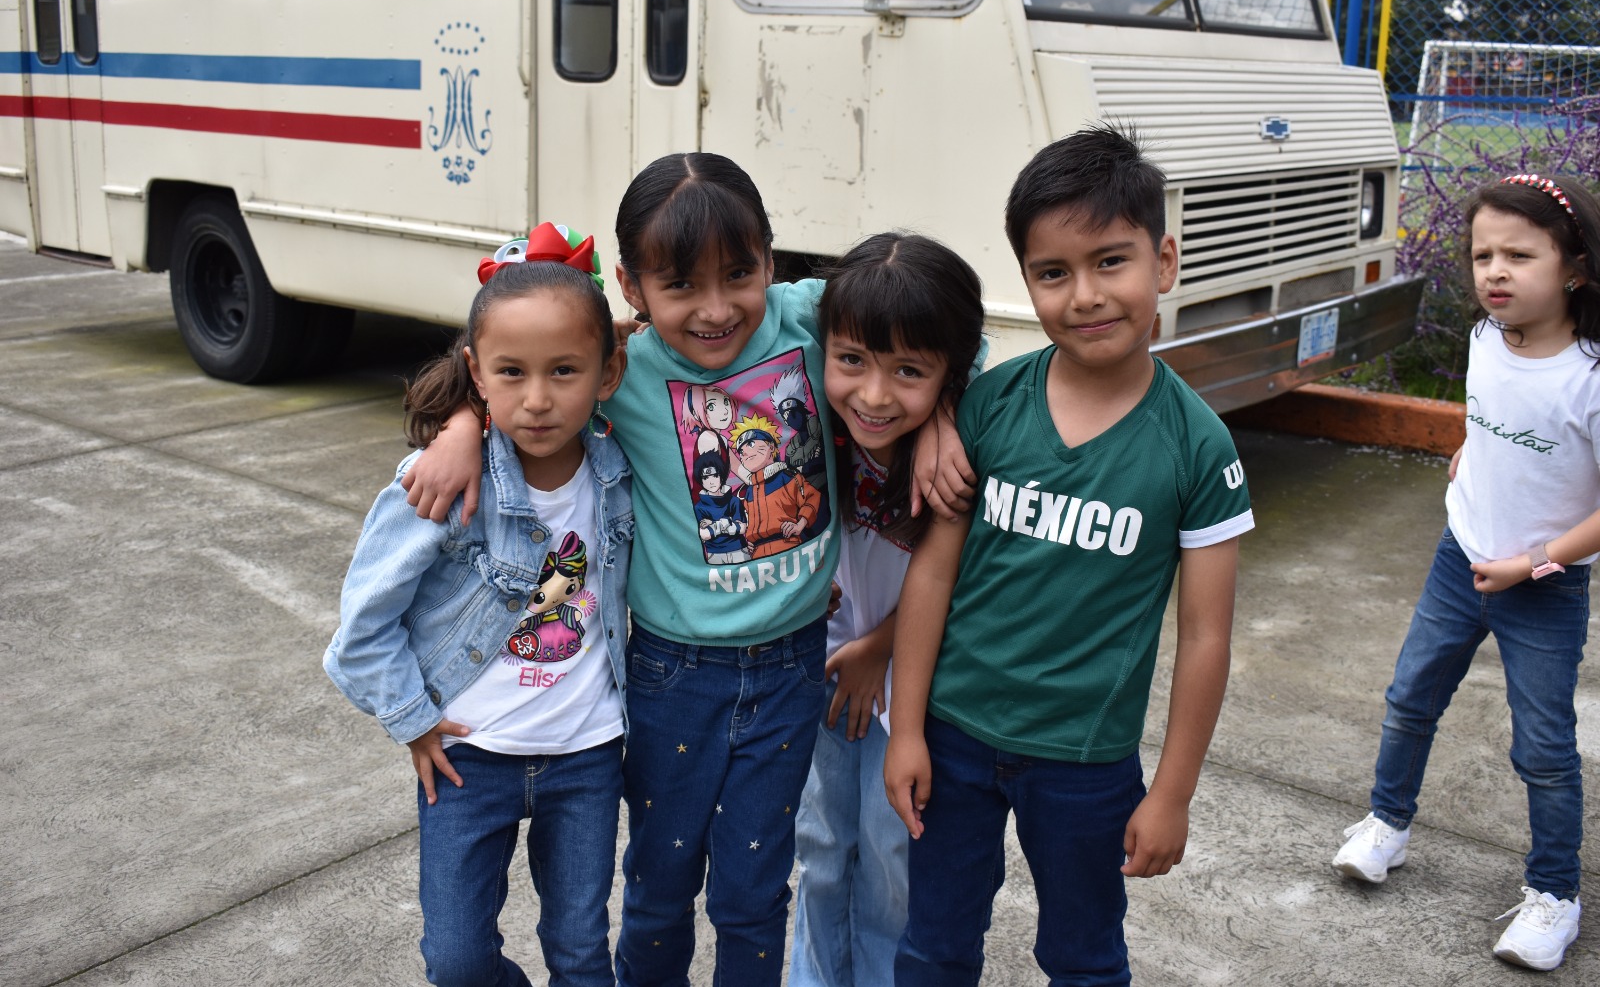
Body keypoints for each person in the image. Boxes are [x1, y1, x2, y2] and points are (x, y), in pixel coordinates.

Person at [401, 153, 973, 987]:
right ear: (631, 287)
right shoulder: (618, 369)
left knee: (753, 893)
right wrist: (462, 424)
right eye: (680, 286)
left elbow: (939, 331)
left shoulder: (810, 319)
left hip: (793, 671)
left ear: (771, 261)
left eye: (738, 274)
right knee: (661, 887)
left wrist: (943, 418)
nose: (715, 308)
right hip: (674, 676)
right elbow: (511, 358)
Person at [883, 124, 1255, 985]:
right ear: (1027, 281)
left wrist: (1173, 793)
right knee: (933, 946)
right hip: (953, 739)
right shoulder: (991, 405)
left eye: (1110, 262)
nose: (1085, 295)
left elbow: (1206, 636)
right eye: (1053, 272)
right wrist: (906, 730)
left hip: (1085, 763)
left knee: (1084, 959)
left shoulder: (1198, 448)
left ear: (1164, 262)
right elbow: (932, 571)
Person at [323, 230, 630, 987]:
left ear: (608, 372)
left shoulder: (621, 469)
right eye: (511, 372)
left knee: (581, 951)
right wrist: (411, 718)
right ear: (476, 375)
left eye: (564, 371)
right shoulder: (442, 482)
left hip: (587, 754)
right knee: (457, 962)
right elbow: (362, 628)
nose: (538, 399)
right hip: (466, 759)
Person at [1330, 172, 1600, 972]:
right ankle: (1387, 824)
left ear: (1575, 267)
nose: (1495, 272)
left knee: (1543, 747)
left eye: (1520, 255)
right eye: (1484, 256)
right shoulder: (1487, 336)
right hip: (1461, 556)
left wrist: (1533, 562)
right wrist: (1470, 452)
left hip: (1544, 585)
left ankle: (1554, 896)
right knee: (1410, 697)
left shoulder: (1589, 375)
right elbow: (1493, 417)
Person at [788, 232, 986, 987]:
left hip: (916, 684)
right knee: (821, 846)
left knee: (890, 855)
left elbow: (965, 577)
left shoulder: (966, 454)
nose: (873, 396)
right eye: (852, 360)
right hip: (827, 666)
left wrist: (881, 647)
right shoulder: (808, 418)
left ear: (949, 376)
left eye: (908, 372)